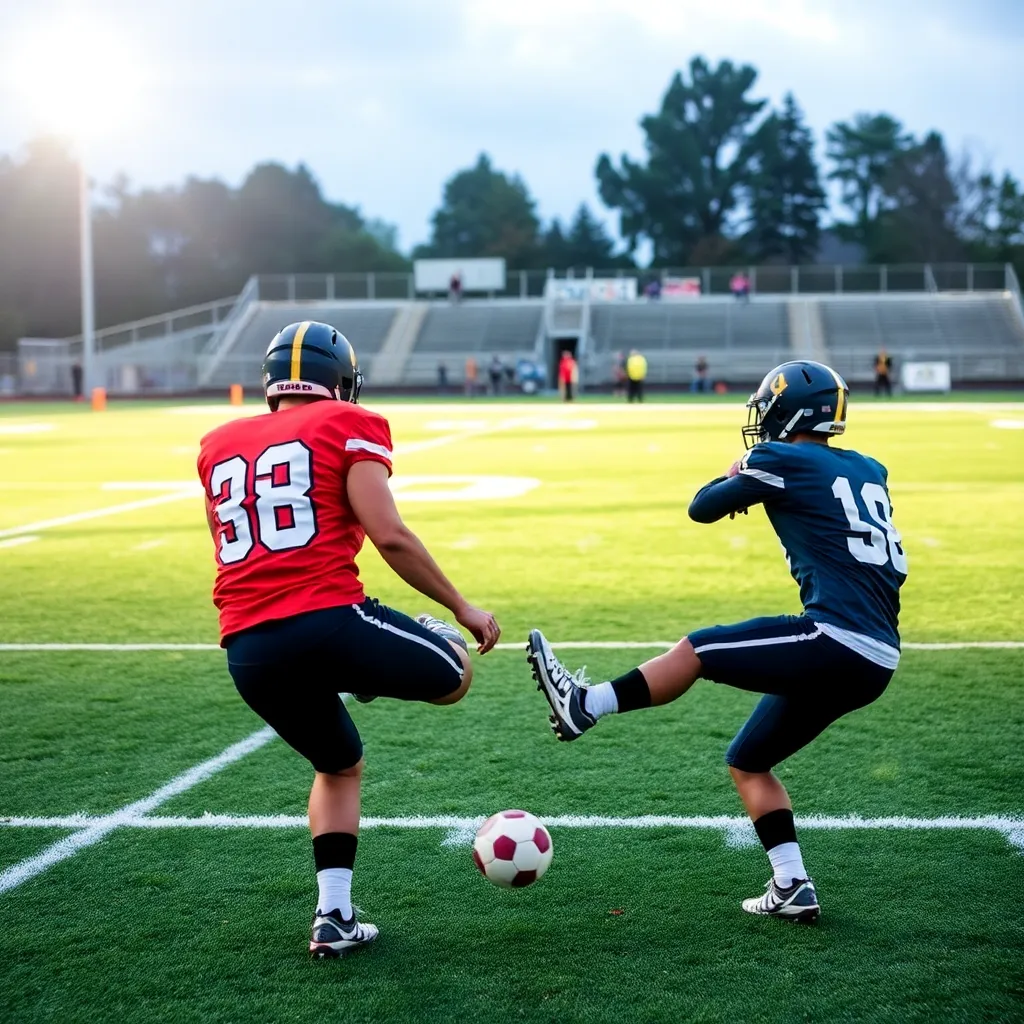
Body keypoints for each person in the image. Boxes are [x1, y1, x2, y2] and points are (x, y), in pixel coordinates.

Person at [527, 360, 907, 924]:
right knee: (749, 760)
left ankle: (586, 705)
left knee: (699, 650)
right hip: (878, 655)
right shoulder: (869, 469)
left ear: (789, 410)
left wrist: (737, 474)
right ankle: (792, 885)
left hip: (835, 636)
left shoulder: (778, 458)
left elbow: (702, 508)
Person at [196, 321, 500, 958]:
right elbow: (387, 534)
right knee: (453, 670)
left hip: (247, 647)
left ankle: (333, 915)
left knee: (339, 764)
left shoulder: (217, 442)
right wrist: (461, 607)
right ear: (341, 382)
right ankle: (360, 671)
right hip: (327, 619)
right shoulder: (344, 423)